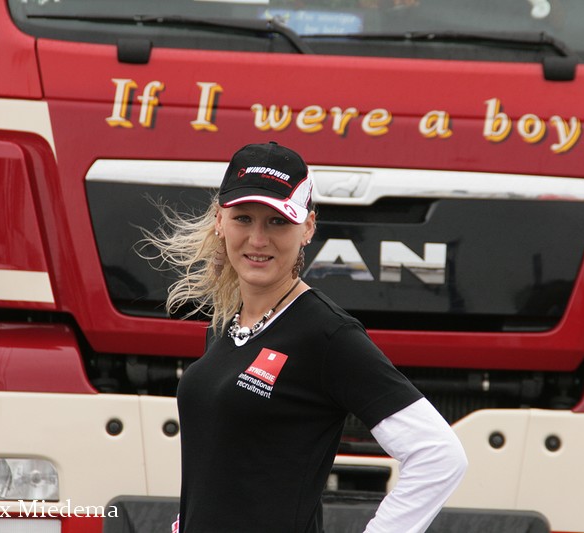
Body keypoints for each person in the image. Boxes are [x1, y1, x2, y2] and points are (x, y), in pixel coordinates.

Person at [153, 142, 467, 532]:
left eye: (278, 221)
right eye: (243, 218)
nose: (257, 239)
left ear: (308, 228)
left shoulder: (327, 334)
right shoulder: (228, 324)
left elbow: (439, 456)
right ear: (220, 220)